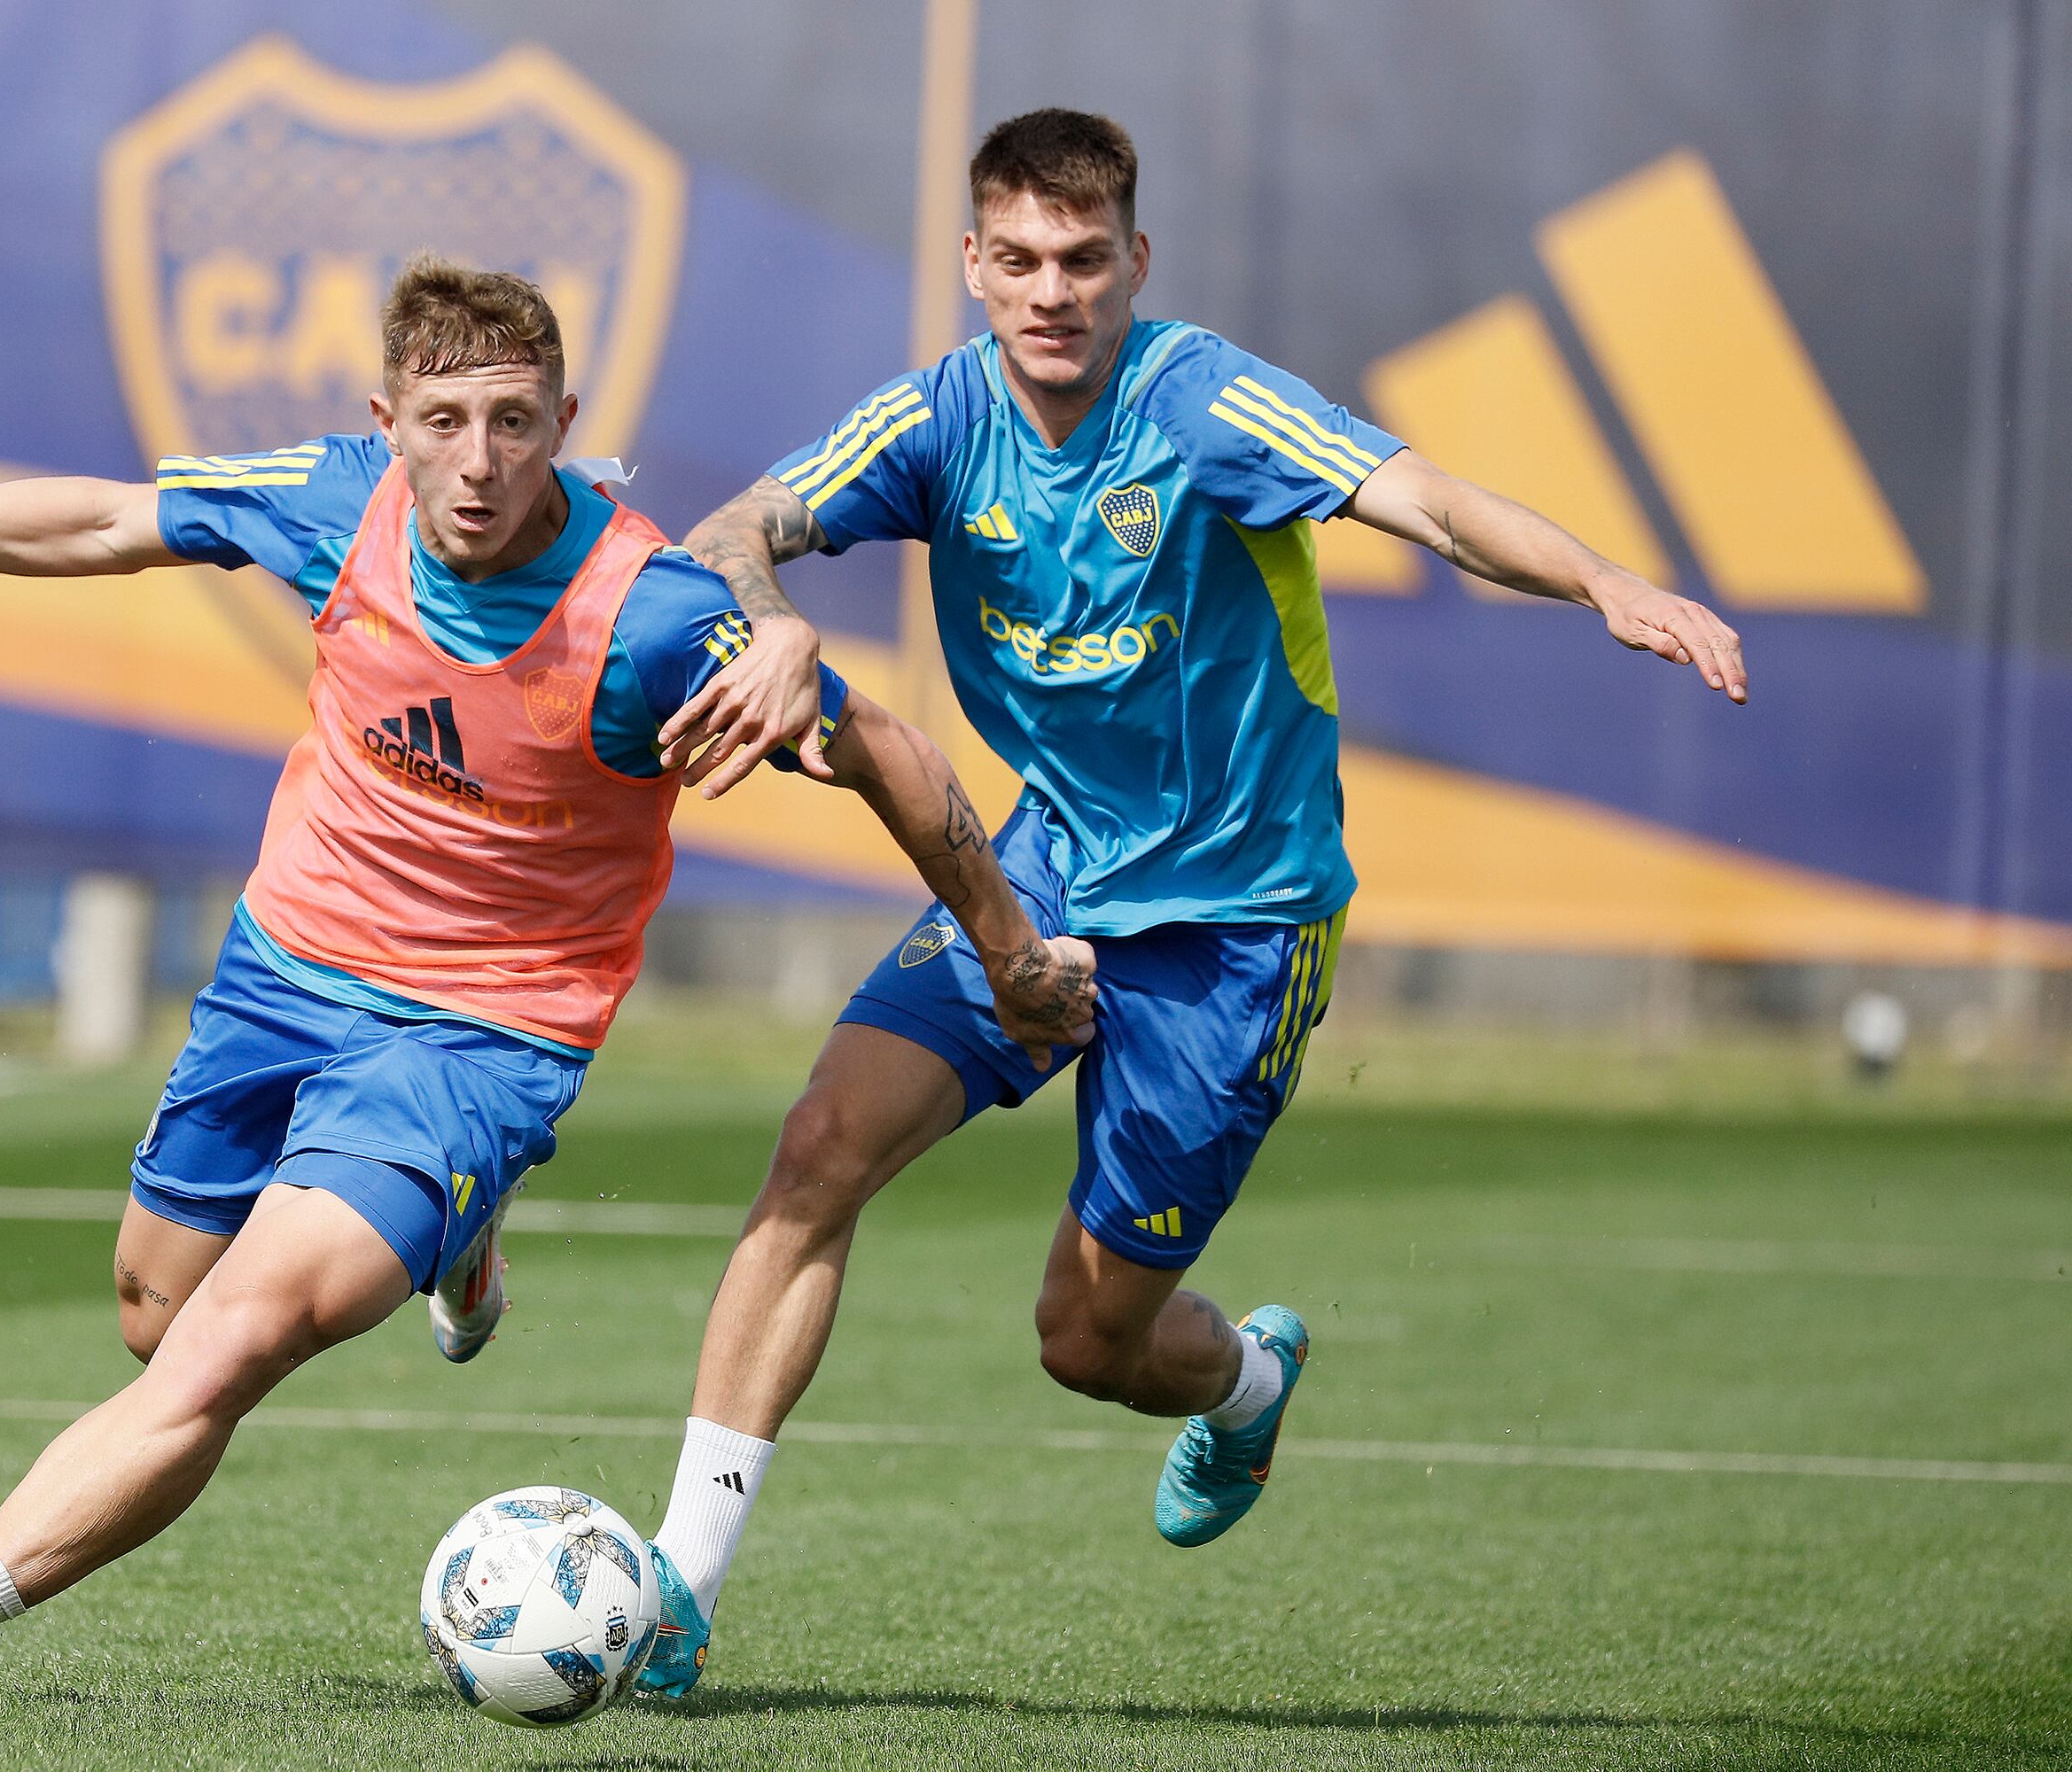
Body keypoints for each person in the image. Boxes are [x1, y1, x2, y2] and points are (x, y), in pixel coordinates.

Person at [0, 255, 1096, 1710]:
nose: (480, 463)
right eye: (444, 422)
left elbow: (879, 745)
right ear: (390, 421)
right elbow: (116, 517)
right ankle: (466, 1241)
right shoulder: (334, 505)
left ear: (565, 417)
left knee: (232, 1343)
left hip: (479, 1035)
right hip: (286, 971)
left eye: (514, 422)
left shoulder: (648, 617)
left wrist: (1008, 949)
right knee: (155, 1311)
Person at [634, 109, 1752, 1697]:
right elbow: (731, 530)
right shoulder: (940, 418)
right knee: (819, 1148)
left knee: (1088, 1345)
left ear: (1135, 264)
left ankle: (1244, 1383)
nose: (1051, 291)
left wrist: (1605, 584)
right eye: (1016, 259)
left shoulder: (1205, 402)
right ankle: (679, 1587)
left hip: (1240, 922)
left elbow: (1426, 501)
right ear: (972, 264)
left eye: (1085, 261)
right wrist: (767, 628)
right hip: (1043, 869)